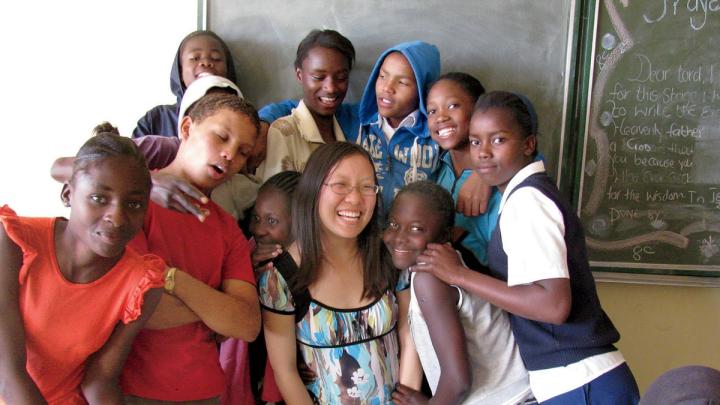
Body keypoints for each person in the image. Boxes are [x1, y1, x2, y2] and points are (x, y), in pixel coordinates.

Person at [413, 91, 640, 404]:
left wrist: (459, 276)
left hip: (579, 381)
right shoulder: (523, 196)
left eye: (499, 140)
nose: (483, 153)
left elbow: (553, 306)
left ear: (529, 144)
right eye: (476, 141)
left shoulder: (528, 201)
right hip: (576, 379)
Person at [0, 131, 165, 404]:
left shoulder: (140, 284)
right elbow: (8, 371)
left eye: (134, 204)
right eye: (100, 198)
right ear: (68, 194)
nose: (117, 216)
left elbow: (99, 379)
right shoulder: (14, 242)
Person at [119, 92, 262, 403]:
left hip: (206, 390)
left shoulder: (228, 230)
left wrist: (172, 279)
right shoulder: (133, 202)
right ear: (186, 128)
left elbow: (247, 324)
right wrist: (215, 310)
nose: (229, 155)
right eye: (221, 137)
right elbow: (136, 310)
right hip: (130, 388)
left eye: (242, 152)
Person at [258, 142, 416, 404]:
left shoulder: (389, 255)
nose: (355, 199)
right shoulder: (280, 278)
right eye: (340, 185)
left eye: (367, 186)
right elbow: (285, 372)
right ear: (313, 190)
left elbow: (410, 338)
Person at [259, 41, 489, 218]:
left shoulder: (435, 130)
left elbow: (499, 121)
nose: (387, 88)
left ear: (423, 88)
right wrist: (262, 122)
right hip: (360, 233)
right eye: (382, 76)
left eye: (402, 82)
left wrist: (482, 174)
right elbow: (299, 107)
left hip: (410, 240)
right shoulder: (357, 119)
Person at [384, 181, 531, 405]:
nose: (399, 237)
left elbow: (458, 382)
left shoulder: (429, 279)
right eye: (393, 224)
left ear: (445, 235)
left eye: (416, 229)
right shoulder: (449, 263)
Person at [220, 170, 301, 405]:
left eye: (272, 221)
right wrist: (248, 269)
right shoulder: (246, 252)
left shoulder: (310, 266)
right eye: (256, 218)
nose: (259, 229)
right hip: (250, 371)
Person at [255, 29, 355, 182]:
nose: (331, 87)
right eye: (318, 77)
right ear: (300, 75)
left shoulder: (347, 132)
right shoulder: (283, 133)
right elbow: (276, 199)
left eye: (341, 78)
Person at [427, 72, 497, 265]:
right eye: (432, 111)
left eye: (452, 106)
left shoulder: (499, 178)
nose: (441, 117)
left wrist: (483, 171)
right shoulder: (437, 168)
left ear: (478, 111)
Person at [132, 30, 239, 139]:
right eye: (195, 58)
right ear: (180, 71)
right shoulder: (156, 120)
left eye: (216, 58)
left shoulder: (241, 120)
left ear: (228, 71)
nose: (206, 62)